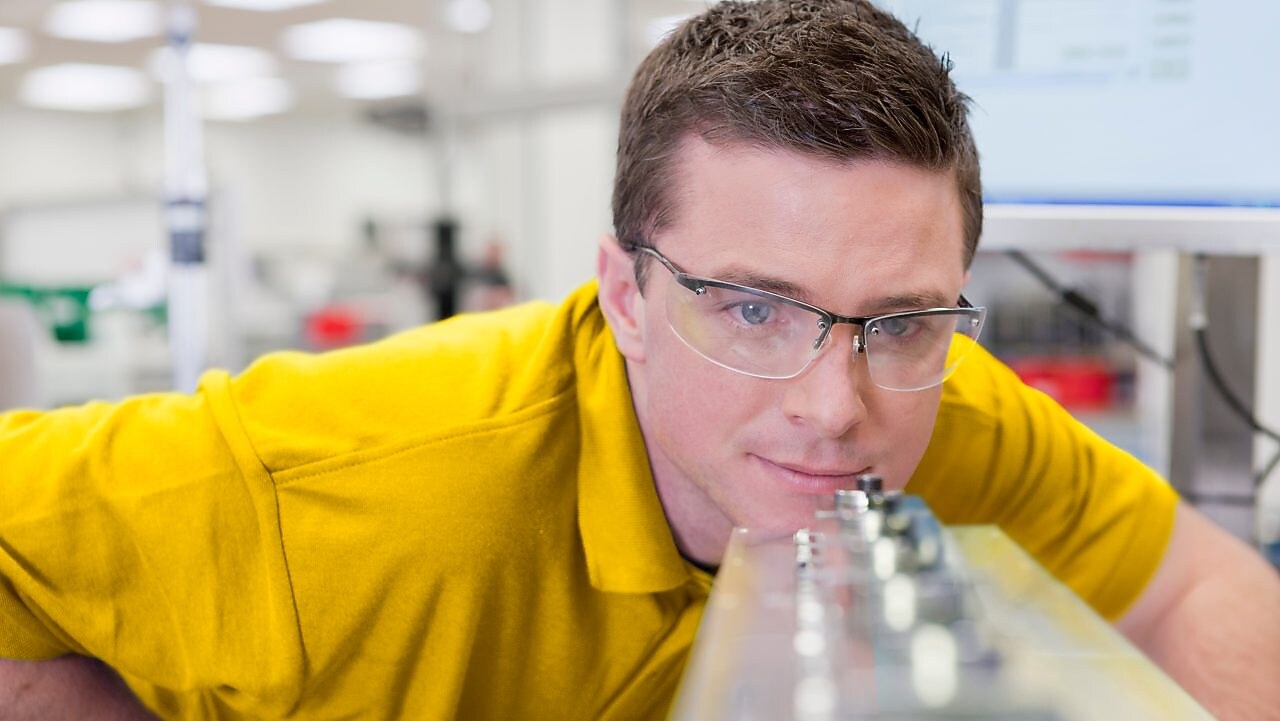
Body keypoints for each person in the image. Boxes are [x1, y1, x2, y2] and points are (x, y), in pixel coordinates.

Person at [2, 1, 1278, 719]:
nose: (833, 409)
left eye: (898, 318)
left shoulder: (946, 408)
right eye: (751, 310)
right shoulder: (350, 483)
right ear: (622, 291)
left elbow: (1201, 590)